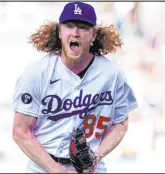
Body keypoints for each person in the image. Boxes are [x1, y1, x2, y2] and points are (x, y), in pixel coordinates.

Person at [12, 1, 138, 173]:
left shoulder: (112, 74)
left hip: (91, 168)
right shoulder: (37, 73)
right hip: (43, 166)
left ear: (93, 35)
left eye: (83, 27)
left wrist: (97, 156)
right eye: (69, 26)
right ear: (59, 32)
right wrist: (56, 170)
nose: (75, 32)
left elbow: (120, 123)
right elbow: (20, 131)